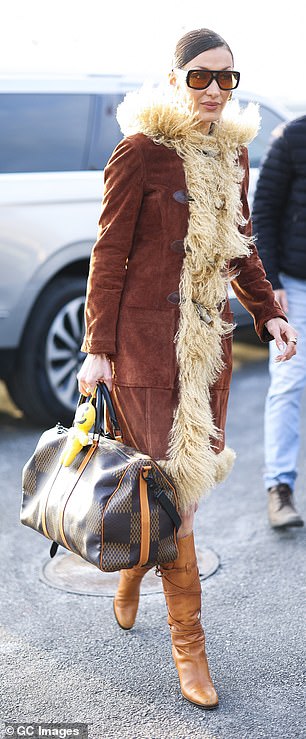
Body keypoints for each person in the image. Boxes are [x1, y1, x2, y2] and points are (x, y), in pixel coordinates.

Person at [77, 28, 297, 708]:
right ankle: (189, 650)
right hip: (146, 350)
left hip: (208, 354)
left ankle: (133, 567)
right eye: (200, 77)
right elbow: (107, 256)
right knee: (175, 499)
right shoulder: (139, 152)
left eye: (226, 79)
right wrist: (97, 348)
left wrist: (268, 313)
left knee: (184, 492)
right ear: (174, 78)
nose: (213, 91)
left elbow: (241, 247)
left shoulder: (233, 154)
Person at [252, 117, 305, 529]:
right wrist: (270, 285)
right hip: (295, 285)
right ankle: (279, 488)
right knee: (289, 382)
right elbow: (263, 212)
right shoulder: (293, 136)